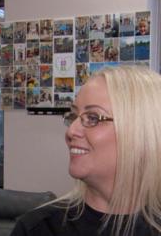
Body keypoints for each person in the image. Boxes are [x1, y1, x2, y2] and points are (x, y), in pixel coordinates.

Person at [11, 65, 161, 236]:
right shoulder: (37, 229)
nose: (70, 132)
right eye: (74, 116)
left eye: (93, 118)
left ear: (141, 133)